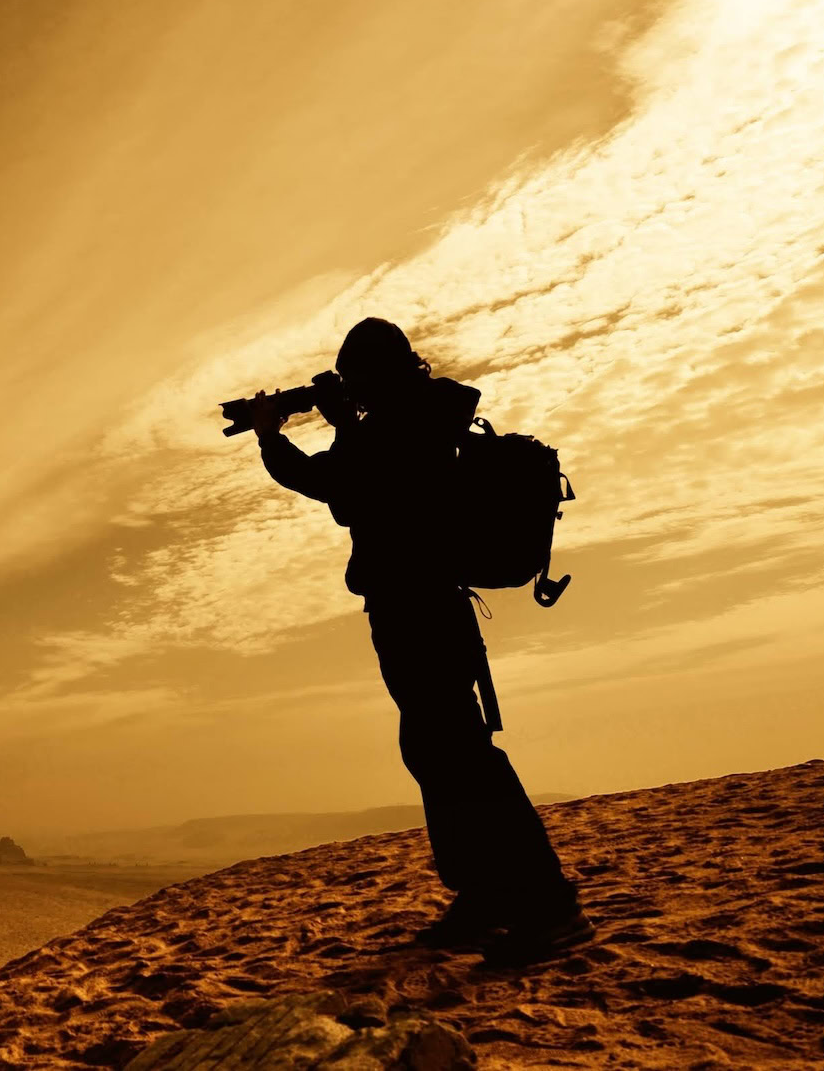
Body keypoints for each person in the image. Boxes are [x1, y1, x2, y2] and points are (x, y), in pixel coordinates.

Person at [246, 317, 591, 964]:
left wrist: (274, 436)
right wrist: (347, 420)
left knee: (461, 753)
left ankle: (549, 904)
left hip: (418, 608)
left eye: (356, 379)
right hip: (420, 607)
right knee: (436, 749)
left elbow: (339, 488)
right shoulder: (416, 417)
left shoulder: (401, 425)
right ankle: (486, 894)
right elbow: (368, 489)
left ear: (373, 376)